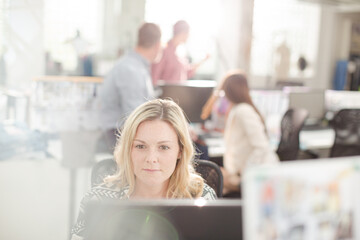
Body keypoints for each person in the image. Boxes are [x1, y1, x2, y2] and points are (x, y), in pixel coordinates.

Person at [71, 99, 217, 239]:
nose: (151, 158)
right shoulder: (99, 200)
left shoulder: (201, 199)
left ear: (180, 150)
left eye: (164, 147)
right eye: (141, 146)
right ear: (129, 150)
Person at [202, 70, 279, 197]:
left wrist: (241, 174)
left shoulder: (243, 111)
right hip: (240, 172)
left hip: (252, 175)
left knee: (209, 180)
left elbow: (262, 147)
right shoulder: (237, 109)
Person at [98, 23, 162, 152]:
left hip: (126, 131)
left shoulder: (135, 66)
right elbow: (135, 114)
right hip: (119, 135)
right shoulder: (131, 70)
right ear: (157, 45)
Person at [151, 20, 210, 85]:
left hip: (180, 92)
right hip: (166, 93)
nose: (189, 36)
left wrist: (203, 60)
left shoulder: (181, 53)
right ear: (182, 33)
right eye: (188, 33)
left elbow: (187, 72)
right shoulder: (164, 50)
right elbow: (155, 75)